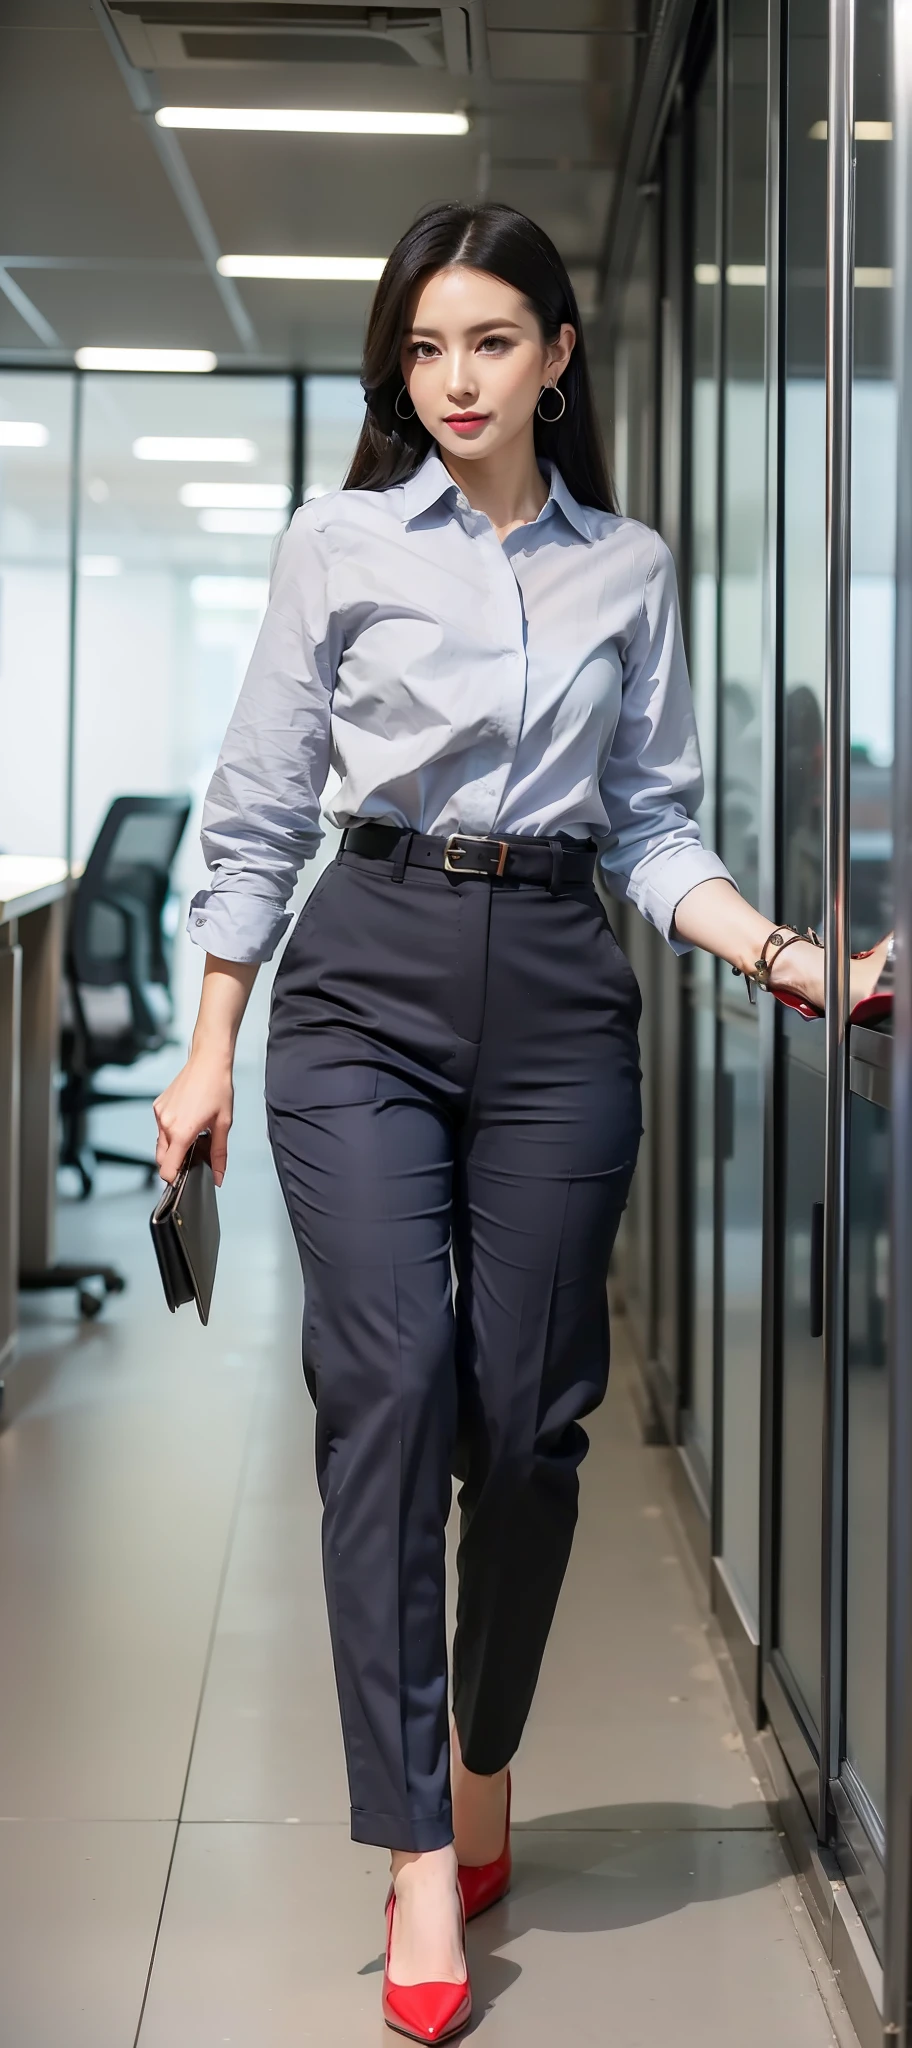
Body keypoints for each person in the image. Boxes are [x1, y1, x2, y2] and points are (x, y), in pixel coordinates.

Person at [153, 202, 890, 2042]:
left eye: (491, 342)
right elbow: (257, 807)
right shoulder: (340, 543)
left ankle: (482, 1752)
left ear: (558, 356)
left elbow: (653, 828)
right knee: (392, 1384)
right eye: (424, 347)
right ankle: (416, 1842)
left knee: (530, 1425)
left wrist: (790, 955)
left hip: (562, 987)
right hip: (366, 977)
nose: (455, 379)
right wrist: (207, 1045)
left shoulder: (628, 568)